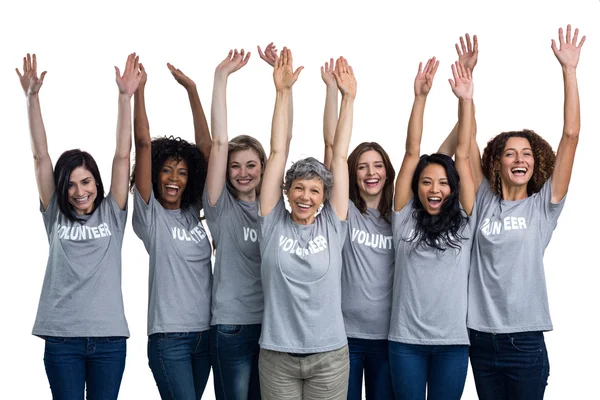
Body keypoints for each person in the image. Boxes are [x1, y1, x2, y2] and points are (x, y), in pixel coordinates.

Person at [466, 25, 585, 400]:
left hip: (525, 343)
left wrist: (569, 71)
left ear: (537, 164)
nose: (519, 158)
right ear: (497, 164)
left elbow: (570, 135)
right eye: (510, 153)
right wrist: (466, 92)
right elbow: (466, 144)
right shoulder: (483, 199)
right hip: (480, 339)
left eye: (527, 153)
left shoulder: (543, 206)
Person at [19, 53, 141, 399]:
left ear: (96, 184)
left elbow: (122, 155)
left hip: (109, 340)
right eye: (71, 184)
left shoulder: (112, 213)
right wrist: (32, 97)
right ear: (61, 188)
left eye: (85, 182)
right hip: (62, 339)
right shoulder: (54, 214)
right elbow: (40, 156)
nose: (79, 192)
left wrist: (124, 98)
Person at [257, 50, 354, 400]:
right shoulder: (272, 224)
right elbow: (278, 151)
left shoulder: (333, 223)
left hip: (329, 357)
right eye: (298, 187)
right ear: (286, 190)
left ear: (324, 196)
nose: (305, 196)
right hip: (277, 357)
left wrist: (349, 98)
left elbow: (339, 154)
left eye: (314, 190)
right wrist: (282, 93)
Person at [387, 57, 476, 400]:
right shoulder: (404, 217)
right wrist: (420, 98)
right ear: (416, 187)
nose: (434, 189)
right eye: (426, 182)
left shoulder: (466, 221)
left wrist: (465, 99)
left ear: (452, 189)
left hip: (453, 344)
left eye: (442, 183)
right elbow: (412, 152)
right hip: (405, 342)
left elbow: (464, 155)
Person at [130, 61, 212, 399]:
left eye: (180, 172)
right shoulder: (151, 216)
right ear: (154, 175)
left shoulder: (195, 212)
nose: (173, 179)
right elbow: (143, 144)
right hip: (169, 339)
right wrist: (139, 91)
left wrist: (192, 91)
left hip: (205, 335)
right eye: (166, 171)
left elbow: (208, 152)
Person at [321, 58, 395, 399]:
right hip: (344, 337)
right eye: (362, 166)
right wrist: (336, 95)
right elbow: (333, 152)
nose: (370, 172)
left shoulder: (402, 216)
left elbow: (439, 158)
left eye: (378, 165)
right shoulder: (344, 211)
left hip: (389, 337)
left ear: (388, 172)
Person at [204, 48, 267, 400]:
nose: (242, 173)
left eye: (251, 165)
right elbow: (218, 142)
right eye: (234, 165)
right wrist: (221, 78)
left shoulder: (274, 211)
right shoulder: (219, 207)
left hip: (272, 327)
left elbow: (282, 145)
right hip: (231, 326)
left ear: (262, 168)